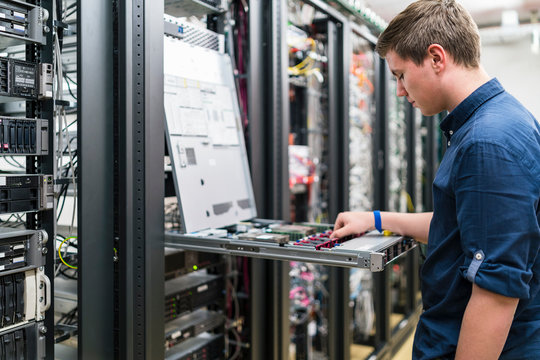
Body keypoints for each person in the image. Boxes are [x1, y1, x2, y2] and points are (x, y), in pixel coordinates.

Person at [331, 0, 540, 359]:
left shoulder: (487, 140)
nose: (399, 90)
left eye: (400, 74)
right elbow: (463, 227)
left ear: (436, 58)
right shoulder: (491, 123)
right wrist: (376, 219)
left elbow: (497, 291)